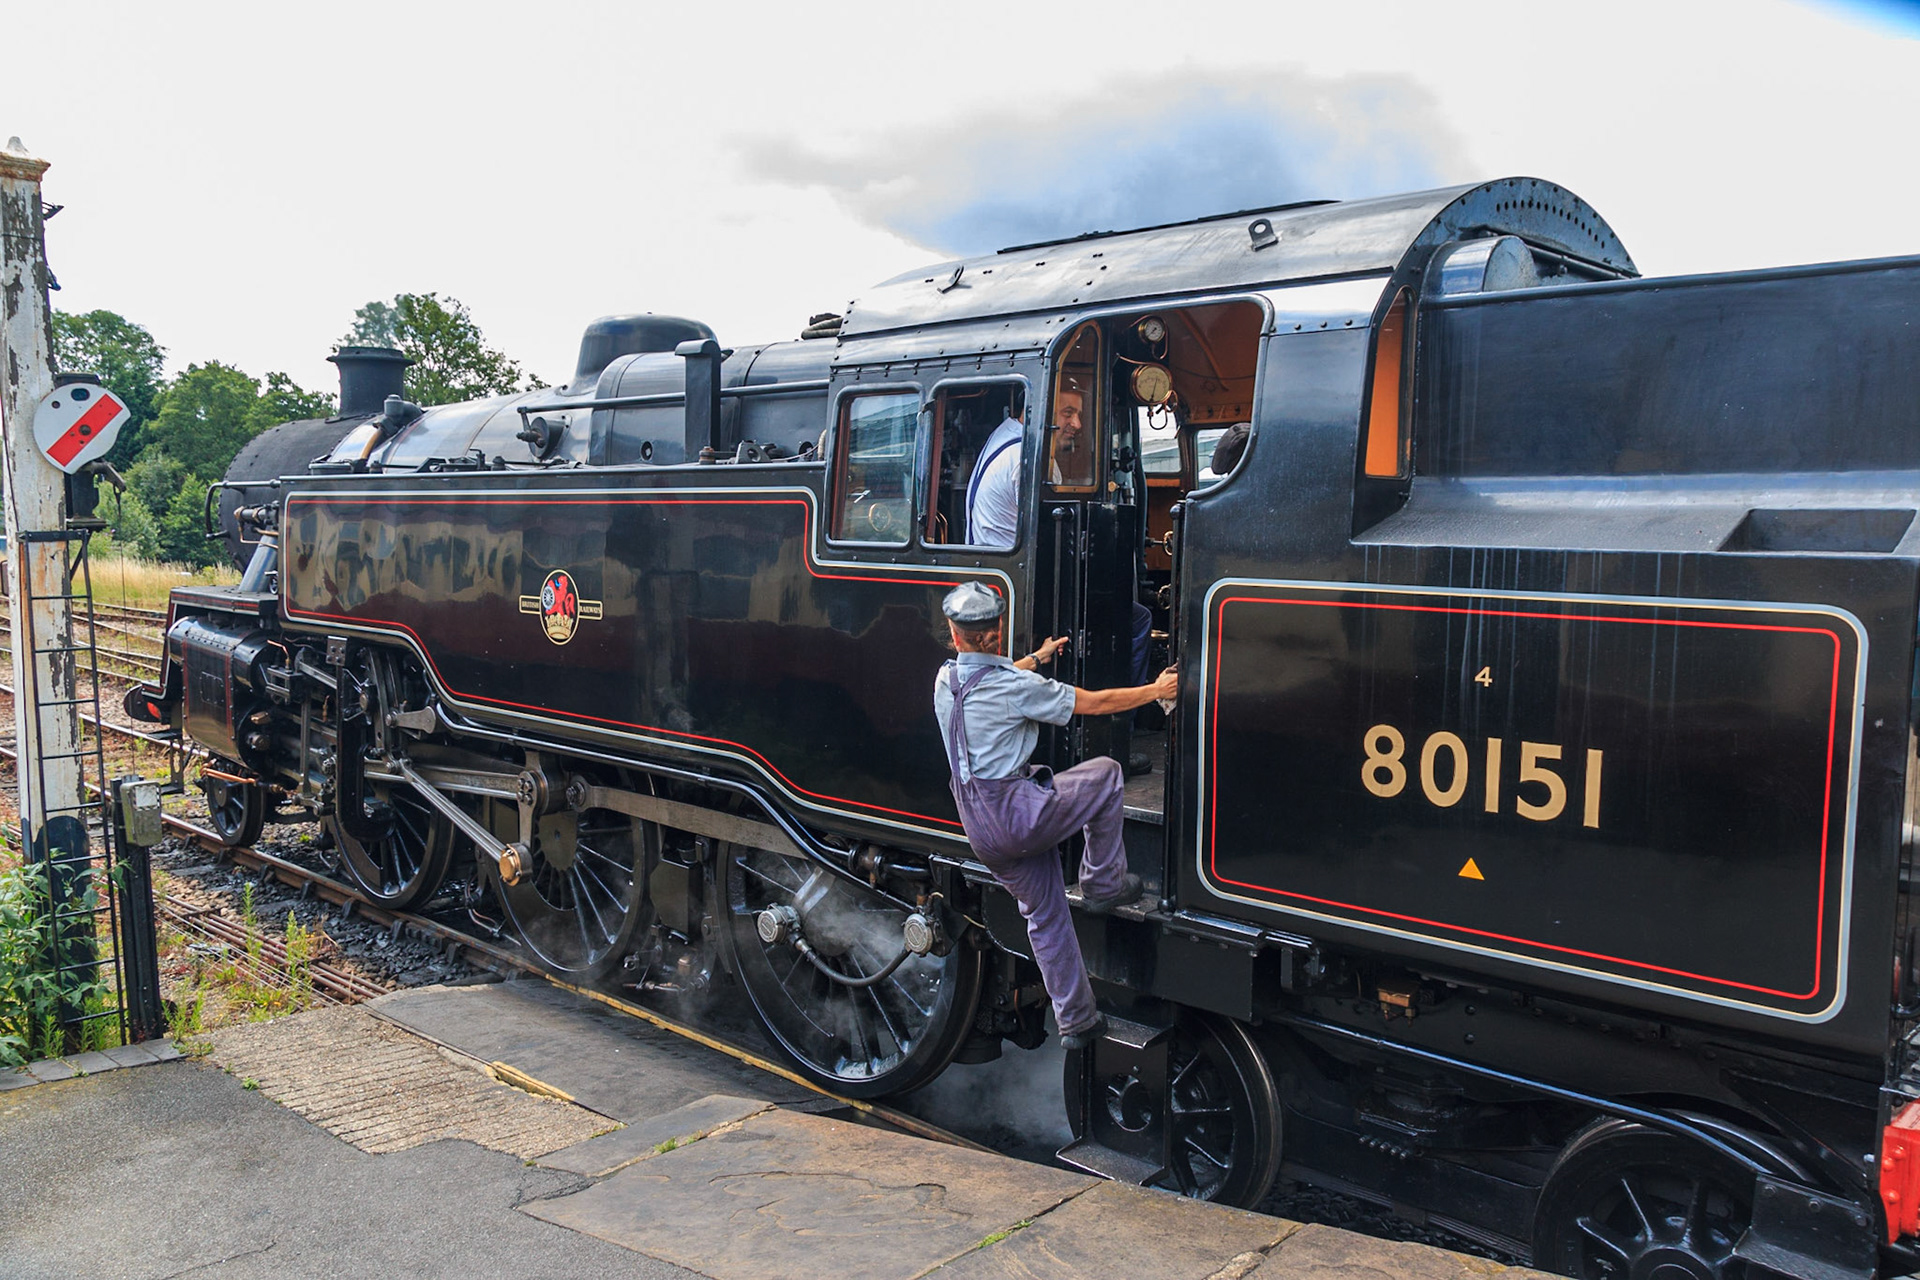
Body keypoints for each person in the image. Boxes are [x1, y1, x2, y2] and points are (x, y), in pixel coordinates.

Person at [933, 581, 1178, 1049]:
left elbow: (994, 678)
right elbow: (1096, 704)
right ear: (998, 629)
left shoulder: (945, 680)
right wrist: (1156, 688)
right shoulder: (1014, 687)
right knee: (1105, 774)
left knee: (1044, 917)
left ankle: (1078, 1022)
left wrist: (1040, 658)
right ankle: (1103, 882)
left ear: (955, 633)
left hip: (979, 828)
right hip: (1017, 814)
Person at [964, 410, 1024, 547]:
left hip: (984, 557)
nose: (1077, 424)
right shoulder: (1024, 454)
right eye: (1067, 414)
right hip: (1008, 563)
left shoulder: (1006, 432)